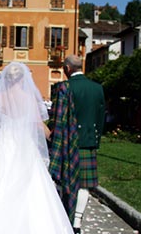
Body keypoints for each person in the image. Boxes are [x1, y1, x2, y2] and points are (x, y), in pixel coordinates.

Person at [0, 62, 73, 234]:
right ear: (22, 79)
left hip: (4, 143)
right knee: (31, 184)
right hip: (24, 145)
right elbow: (37, 124)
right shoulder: (28, 98)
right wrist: (52, 135)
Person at [48, 55, 105, 234]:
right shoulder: (97, 88)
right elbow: (101, 116)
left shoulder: (63, 88)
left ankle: (64, 215)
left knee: (63, 179)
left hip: (66, 140)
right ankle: (77, 223)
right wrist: (96, 139)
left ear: (66, 68)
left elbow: (56, 117)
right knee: (84, 184)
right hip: (88, 140)